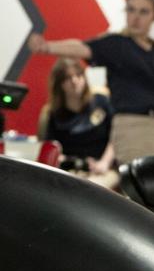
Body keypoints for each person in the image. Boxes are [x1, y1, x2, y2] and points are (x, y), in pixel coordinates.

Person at [27, 0, 154, 164]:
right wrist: (48, 47)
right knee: (145, 189)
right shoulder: (116, 44)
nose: (135, 17)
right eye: (131, 9)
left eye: (143, 11)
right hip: (134, 128)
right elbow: (82, 47)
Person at [37, 57, 118, 189]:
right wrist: (63, 160)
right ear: (59, 84)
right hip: (69, 171)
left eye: (78, 75)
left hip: (102, 168)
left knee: (92, 190)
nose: (74, 81)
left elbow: (116, 136)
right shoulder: (53, 114)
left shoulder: (101, 101)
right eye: (67, 78)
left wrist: (104, 162)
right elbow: (51, 149)